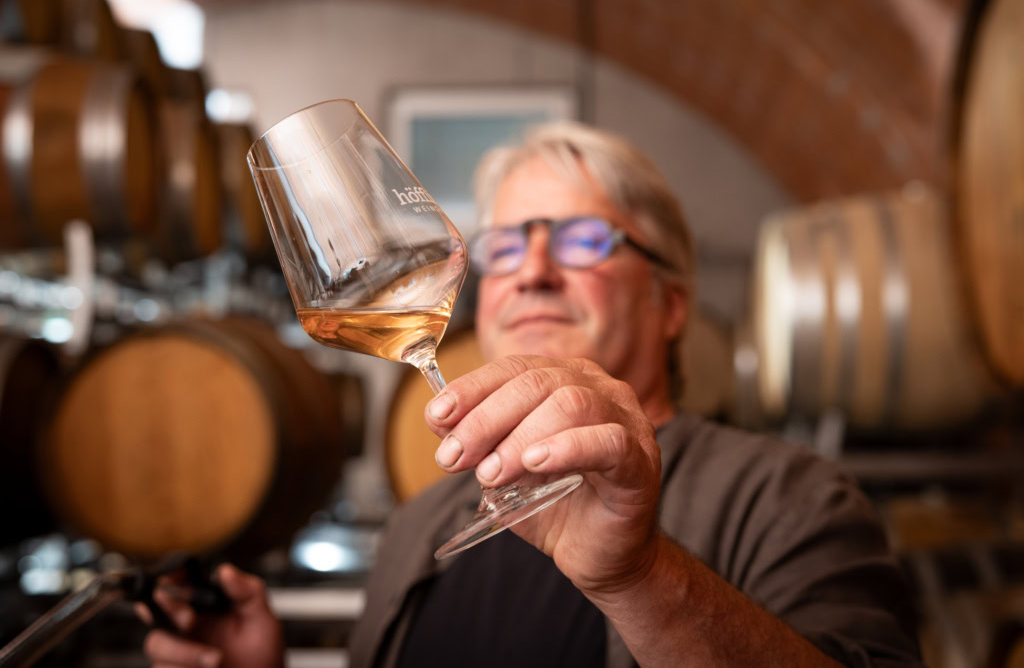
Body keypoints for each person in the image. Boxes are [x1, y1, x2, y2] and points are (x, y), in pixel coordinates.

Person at [138, 122, 922, 667]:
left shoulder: (795, 496)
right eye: (507, 244)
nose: (533, 270)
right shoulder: (421, 525)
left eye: (582, 239)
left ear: (672, 304)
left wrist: (641, 574)